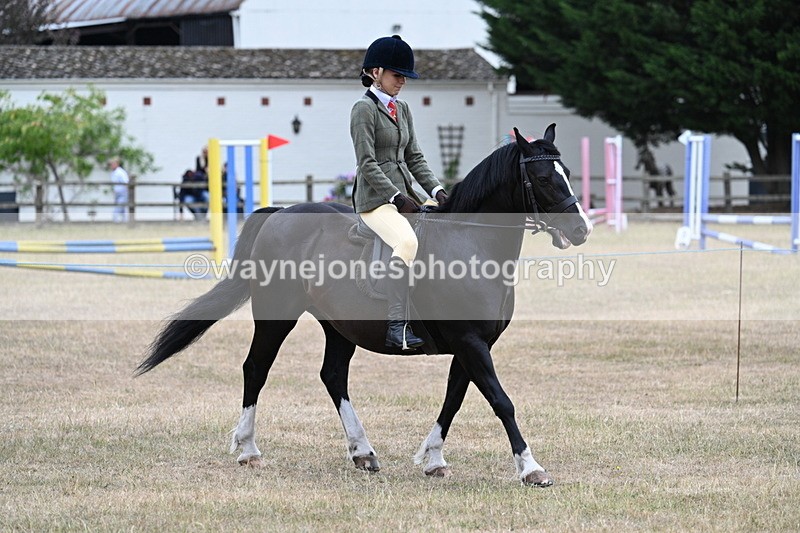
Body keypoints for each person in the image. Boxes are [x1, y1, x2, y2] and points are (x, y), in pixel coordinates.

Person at [350, 35, 448, 350]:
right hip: (374, 201)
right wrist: (395, 197)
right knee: (406, 242)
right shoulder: (363, 109)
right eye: (397, 75)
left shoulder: (402, 109)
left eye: (405, 76)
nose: (402, 81)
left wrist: (437, 190)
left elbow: (414, 157)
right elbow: (367, 163)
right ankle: (396, 326)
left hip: (404, 195)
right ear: (375, 72)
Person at [109, 157, 129, 223]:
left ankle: (115, 219)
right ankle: (125, 221)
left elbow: (126, 181)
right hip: (117, 192)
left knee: (119, 206)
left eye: (113, 164)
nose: (111, 165)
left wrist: (126, 192)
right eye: (111, 164)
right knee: (122, 207)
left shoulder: (121, 172)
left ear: (117, 164)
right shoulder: (113, 172)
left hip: (122, 192)